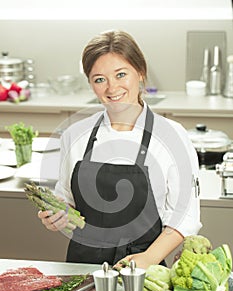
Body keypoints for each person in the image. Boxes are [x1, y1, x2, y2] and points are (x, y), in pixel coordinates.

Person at [38, 30, 202, 269]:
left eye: (121, 74)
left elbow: (185, 217)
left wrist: (147, 259)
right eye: (99, 79)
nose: (111, 88)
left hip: (144, 272)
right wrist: (58, 216)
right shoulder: (76, 135)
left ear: (141, 73)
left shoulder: (172, 136)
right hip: (81, 268)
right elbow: (68, 201)